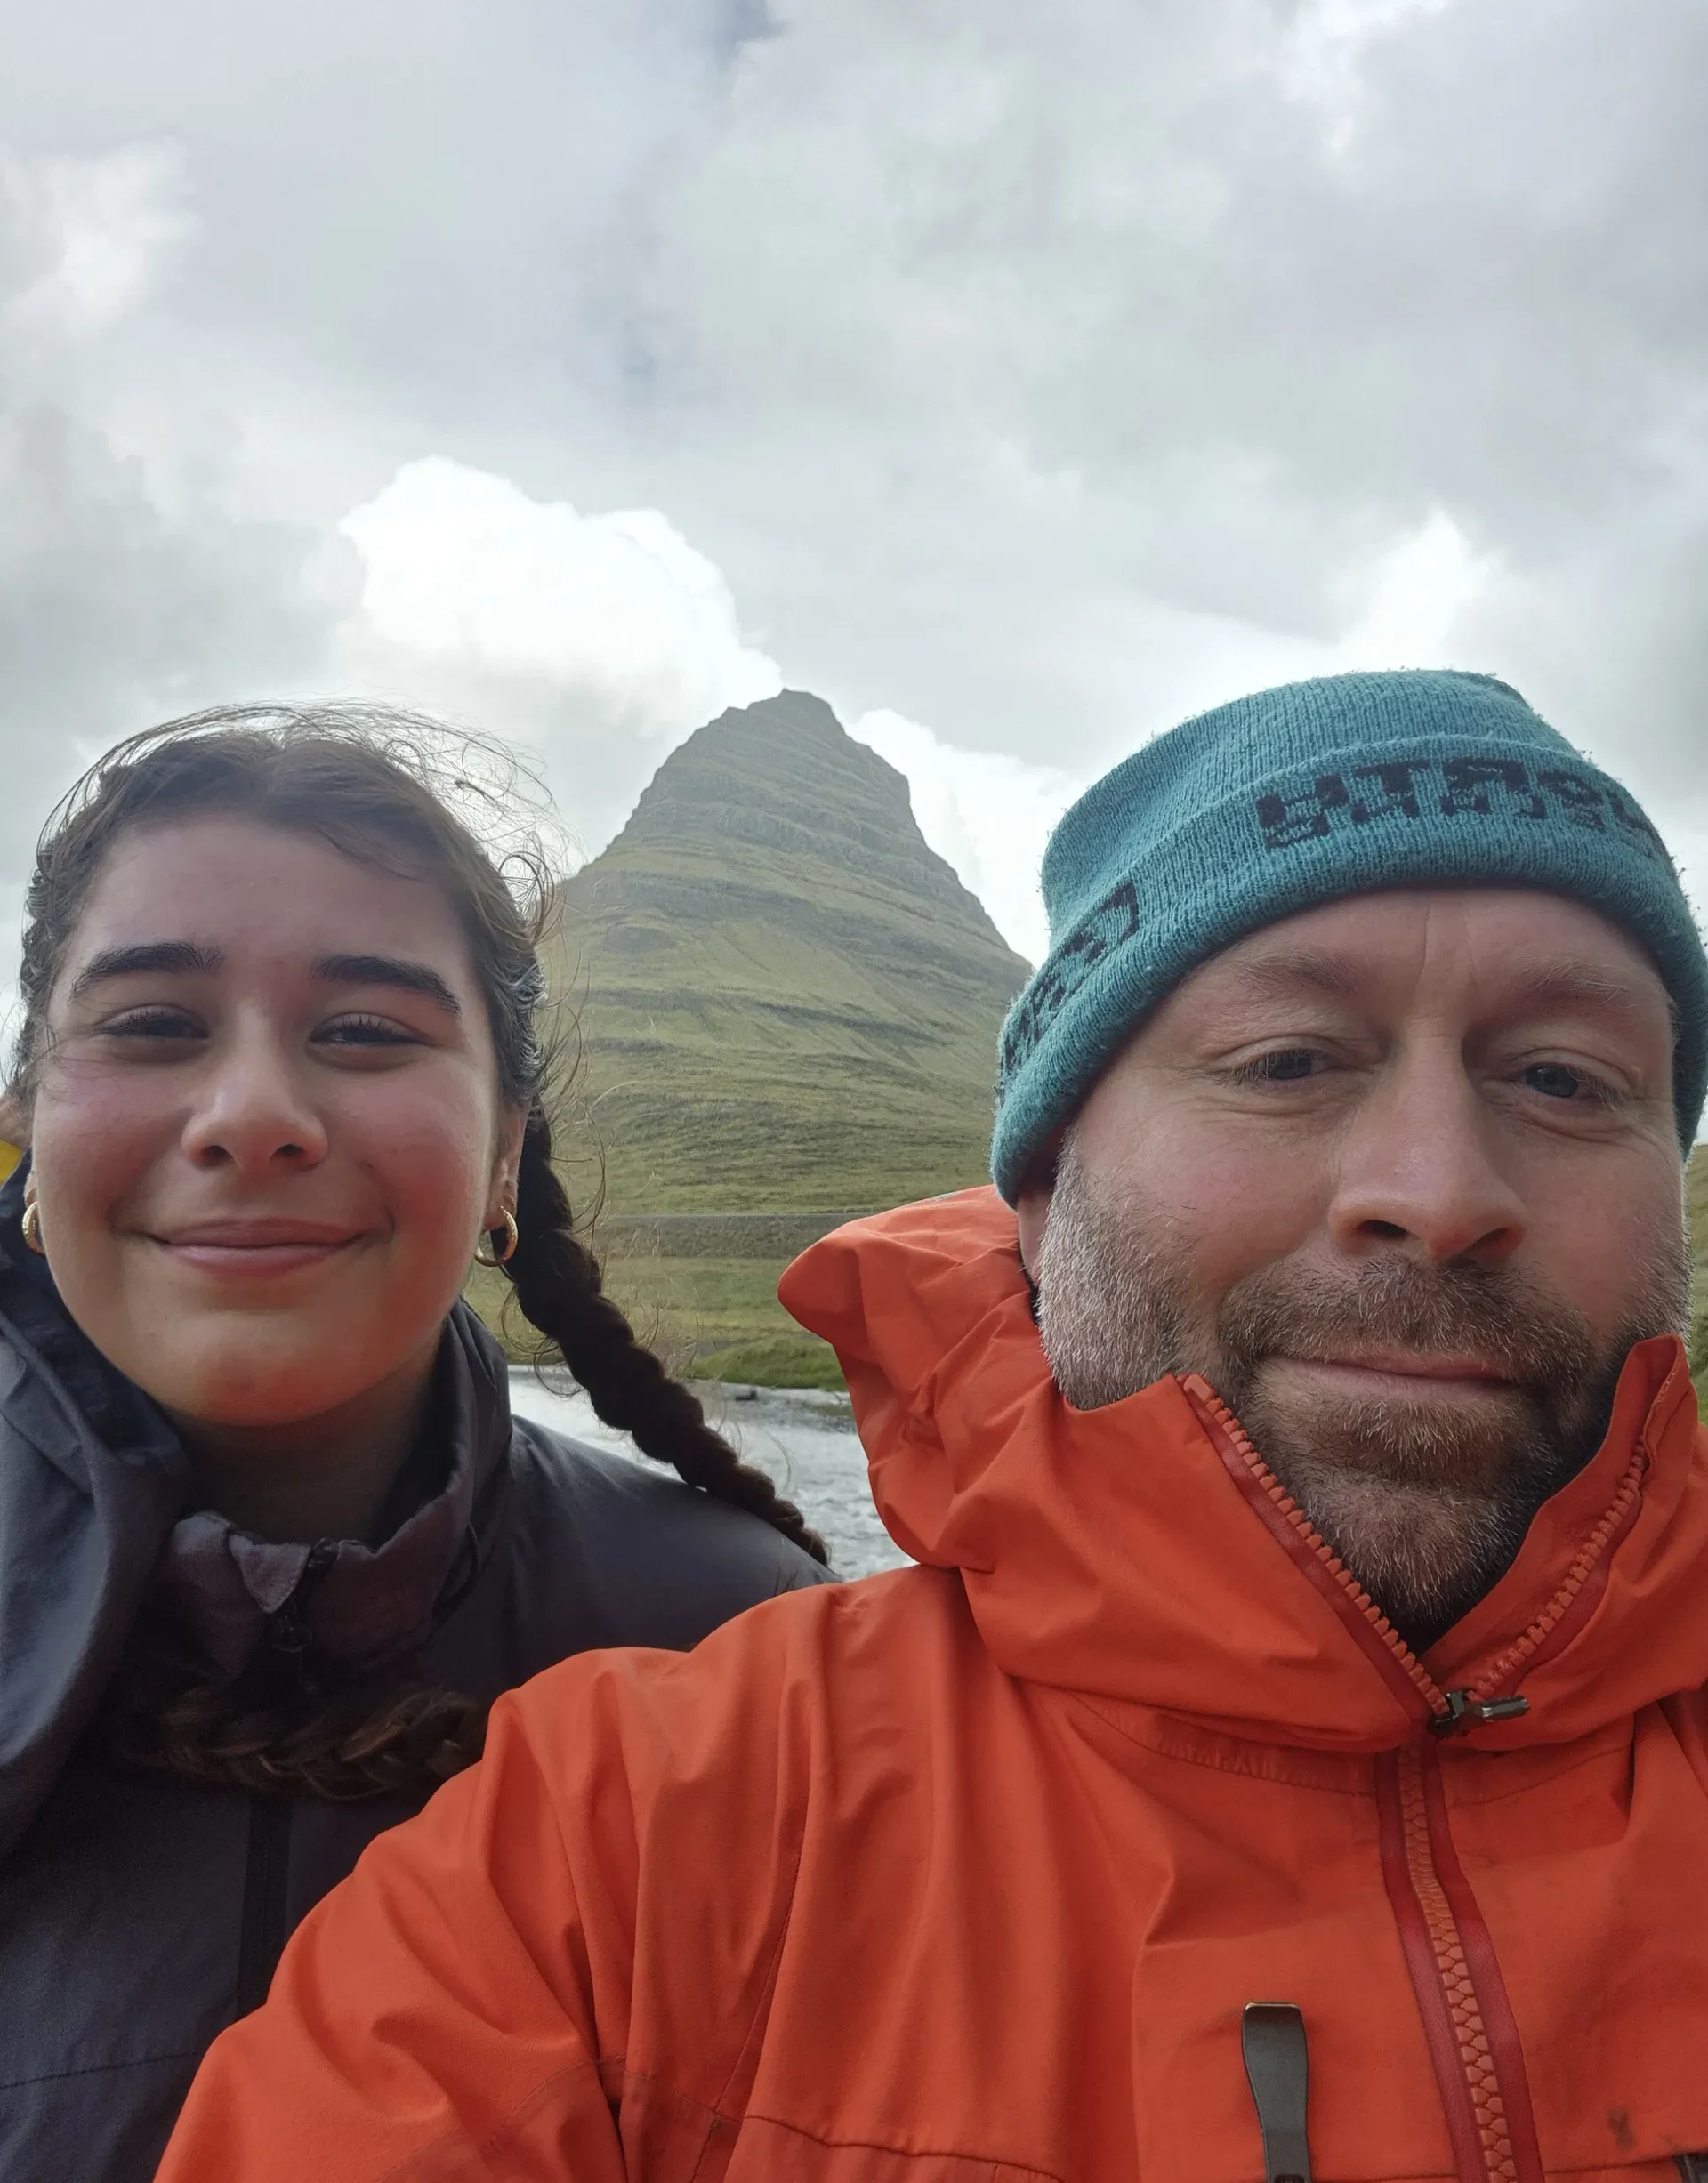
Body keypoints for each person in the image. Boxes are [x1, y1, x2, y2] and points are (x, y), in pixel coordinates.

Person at [158, 670, 1708, 2183]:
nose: (1440, 1194)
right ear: (1039, 1202)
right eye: (1287, 1062)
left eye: (1567, 1079)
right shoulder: (618, 1853)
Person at [0, 707, 828, 2183]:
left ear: (507, 1149)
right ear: (26, 1125)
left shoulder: (747, 1652)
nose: (251, 1116)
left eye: (367, 1031)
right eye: (151, 1026)